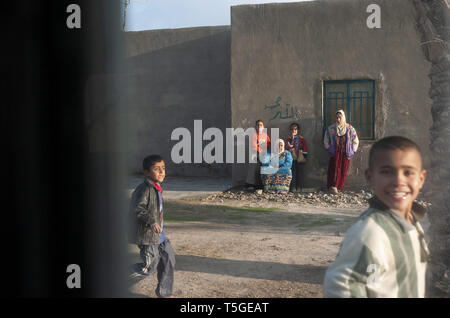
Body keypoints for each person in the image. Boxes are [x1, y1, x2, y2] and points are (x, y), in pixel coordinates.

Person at [323, 136, 429, 297]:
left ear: (421, 179)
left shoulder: (413, 221)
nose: (398, 181)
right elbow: (340, 285)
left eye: (408, 172)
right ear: (370, 177)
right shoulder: (370, 233)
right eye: (387, 172)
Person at [129, 154, 176, 298]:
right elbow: (137, 209)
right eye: (157, 169)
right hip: (148, 236)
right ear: (146, 172)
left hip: (160, 235)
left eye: (163, 168)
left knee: (169, 260)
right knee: (149, 267)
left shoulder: (157, 187)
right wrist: (152, 221)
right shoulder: (144, 189)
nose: (162, 172)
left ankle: (164, 293)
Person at [324, 110, 359, 194]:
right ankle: (333, 186)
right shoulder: (331, 128)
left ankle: (339, 186)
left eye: (340, 117)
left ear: (343, 117)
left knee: (343, 169)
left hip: (345, 153)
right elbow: (326, 139)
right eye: (337, 117)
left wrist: (352, 151)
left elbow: (355, 140)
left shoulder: (349, 128)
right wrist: (329, 148)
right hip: (335, 153)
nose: (338, 119)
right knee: (333, 168)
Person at [246, 119, 271, 190]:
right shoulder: (254, 135)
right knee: (253, 168)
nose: (259, 127)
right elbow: (254, 146)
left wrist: (266, 151)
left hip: (264, 154)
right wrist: (260, 151)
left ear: (263, 127)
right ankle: (250, 183)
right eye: (258, 125)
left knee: (262, 169)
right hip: (255, 154)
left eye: (261, 125)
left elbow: (269, 144)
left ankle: (261, 184)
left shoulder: (265, 135)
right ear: (255, 127)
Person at [285, 122, 308, 193]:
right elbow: (288, 146)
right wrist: (292, 139)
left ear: (298, 130)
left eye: (295, 129)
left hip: (300, 158)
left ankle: (299, 187)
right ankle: (293, 187)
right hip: (292, 158)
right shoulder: (288, 139)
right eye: (292, 129)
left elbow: (305, 147)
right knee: (293, 173)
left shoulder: (302, 139)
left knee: (300, 173)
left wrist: (304, 156)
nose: (293, 130)